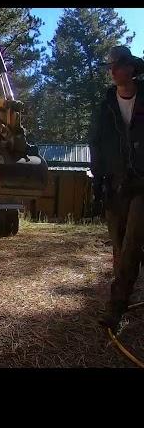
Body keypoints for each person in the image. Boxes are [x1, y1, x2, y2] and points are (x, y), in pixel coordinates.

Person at [89, 45, 144, 331]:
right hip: (115, 185)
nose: (112, 71)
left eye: (117, 65)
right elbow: (95, 143)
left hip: (142, 186)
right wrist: (98, 179)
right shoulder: (107, 104)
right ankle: (124, 290)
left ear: (131, 68)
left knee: (133, 241)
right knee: (121, 249)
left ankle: (115, 309)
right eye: (109, 66)